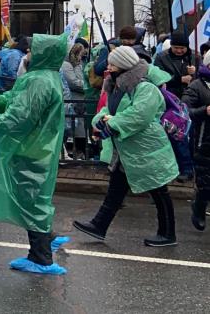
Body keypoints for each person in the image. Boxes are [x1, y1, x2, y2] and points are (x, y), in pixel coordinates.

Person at [0, 34, 70, 275]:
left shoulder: (38, 80)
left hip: (32, 149)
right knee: (32, 199)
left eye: (32, 49)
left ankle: (42, 258)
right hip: (37, 147)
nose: (27, 52)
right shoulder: (42, 78)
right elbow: (14, 102)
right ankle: (44, 241)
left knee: (32, 201)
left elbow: (18, 117)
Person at [73, 46, 179, 247]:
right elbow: (106, 108)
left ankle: (168, 233)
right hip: (127, 148)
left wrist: (111, 123)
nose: (109, 67)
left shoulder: (145, 87)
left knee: (158, 190)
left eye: (112, 63)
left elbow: (140, 115)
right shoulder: (117, 85)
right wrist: (100, 121)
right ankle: (99, 225)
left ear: (122, 65)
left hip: (146, 149)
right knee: (116, 189)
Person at [153, 31, 196, 182]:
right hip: (171, 101)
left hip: (190, 100)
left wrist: (195, 73)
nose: (179, 51)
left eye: (182, 48)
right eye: (176, 47)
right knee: (177, 135)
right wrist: (179, 79)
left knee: (191, 136)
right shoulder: (161, 57)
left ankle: (190, 166)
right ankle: (183, 167)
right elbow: (158, 77)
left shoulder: (192, 57)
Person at [183, 51, 210, 231]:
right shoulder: (197, 86)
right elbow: (184, 110)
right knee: (206, 182)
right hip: (204, 140)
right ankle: (199, 208)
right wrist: (204, 110)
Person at [61, 43, 88, 160]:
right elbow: (73, 81)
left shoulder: (77, 64)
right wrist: (87, 86)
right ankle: (72, 152)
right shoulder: (67, 65)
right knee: (72, 126)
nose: (82, 56)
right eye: (81, 54)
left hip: (79, 98)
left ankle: (77, 151)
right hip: (74, 98)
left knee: (77, 125)